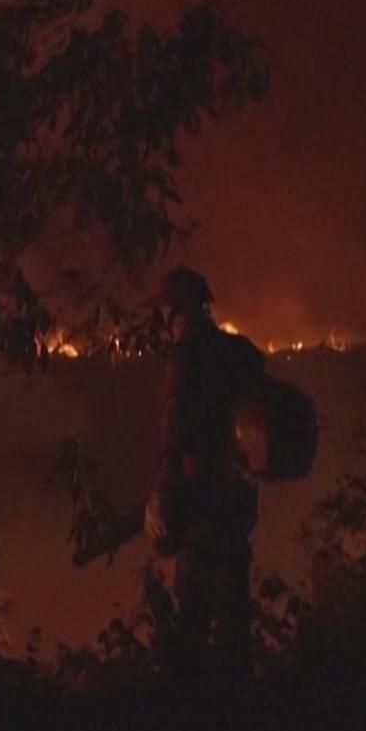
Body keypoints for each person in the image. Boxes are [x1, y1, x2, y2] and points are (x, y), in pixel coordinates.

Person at [144, 266, 264, 676]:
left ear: (174, 309)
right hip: (239, 499)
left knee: (192, 611)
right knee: (234, 610)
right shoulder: (239, 352)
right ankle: (239, 700)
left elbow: (174, 434)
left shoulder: (186, 356)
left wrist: (161, 496)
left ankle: (193, 717)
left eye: (164, 311)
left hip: (203, 504)